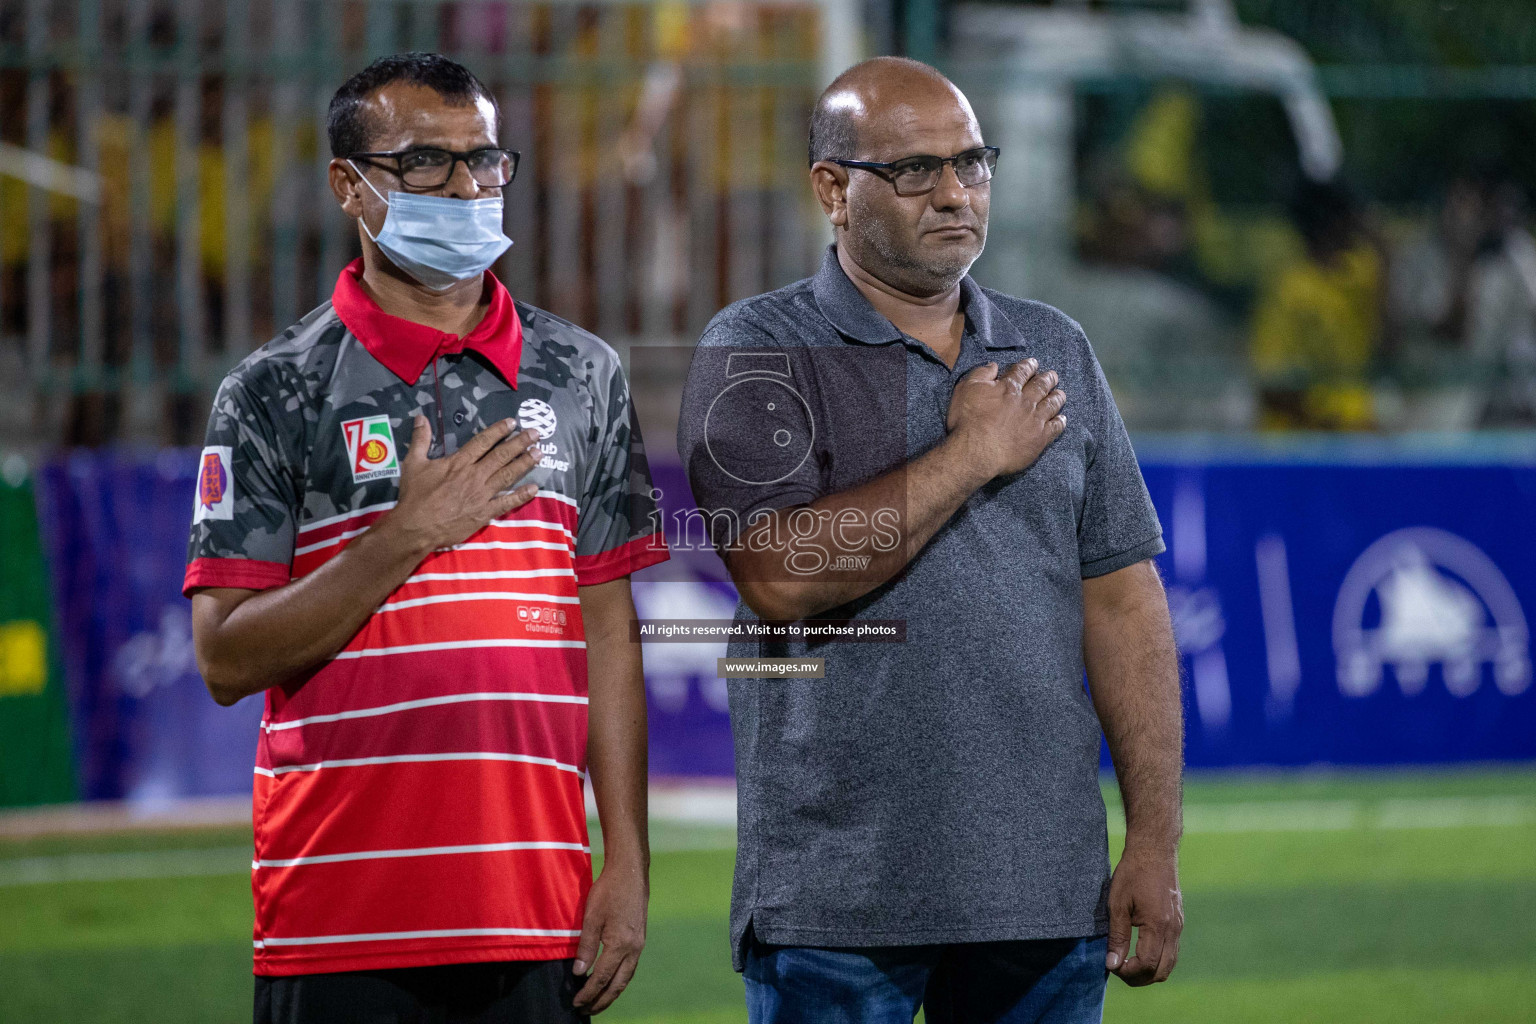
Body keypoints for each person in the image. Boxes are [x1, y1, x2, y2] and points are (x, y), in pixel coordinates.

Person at [676, 57, 1184, 1023]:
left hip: (1045, 900)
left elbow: (1123, 601)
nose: (955, 193)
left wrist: (1154, 843)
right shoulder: (758, 347)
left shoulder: (1054, 348)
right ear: (833, 188)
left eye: (972, 163)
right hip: (835, 904)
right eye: (915, 170)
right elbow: (781, 575)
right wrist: (971, 454)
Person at [184, 53, 668, 1023]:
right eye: (423, 164)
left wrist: (627, 862)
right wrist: (403, 537)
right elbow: (225, 657)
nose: (463, 187)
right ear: (348, 186)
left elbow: (607, 634)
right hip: (337, 923)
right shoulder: (274, 389)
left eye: (482, 161)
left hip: (538, 918)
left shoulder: (583, 374)